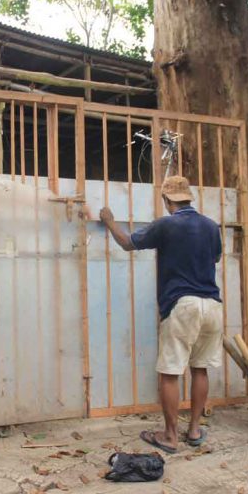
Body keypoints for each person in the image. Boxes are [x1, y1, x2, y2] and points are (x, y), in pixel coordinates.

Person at [99, 175, 223, 454]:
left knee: (170, 372)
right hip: (213, 305)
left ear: (167, 200)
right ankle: (193, 430)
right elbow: (215, 258)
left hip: (183, 305)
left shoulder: (166, 224)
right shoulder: (210, 226)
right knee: (199, 367)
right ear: (189, 198)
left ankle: (169, 435)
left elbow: (127, 243)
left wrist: (109, 220)